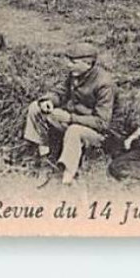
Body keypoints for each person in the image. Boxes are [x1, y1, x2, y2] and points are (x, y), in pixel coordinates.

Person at [21, 42, 115, 185]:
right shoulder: (76, 73)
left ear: (87, 63)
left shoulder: (104, 83)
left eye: (72, 61)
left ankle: (67, 177)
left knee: (74, 131)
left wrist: (71, 118)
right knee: (35, 107)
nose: (68, 65)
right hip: (71, 120)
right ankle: (45, 159)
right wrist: (50, 101)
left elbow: (102, 123)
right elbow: (61, 92)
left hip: (96, 133)